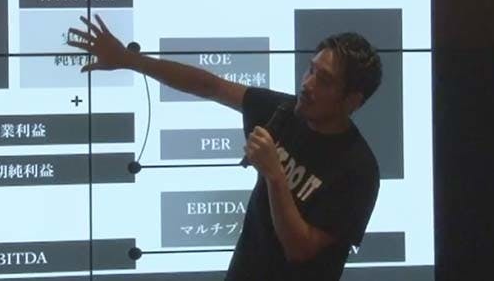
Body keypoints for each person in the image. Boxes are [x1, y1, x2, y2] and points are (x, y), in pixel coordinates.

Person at [67, 15, 383, 281]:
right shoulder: (285, 113)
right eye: (311, 70)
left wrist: (274, 175)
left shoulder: (358, 169)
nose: (308, 84)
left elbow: (300, 249)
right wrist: (128, 60)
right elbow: (210, 86)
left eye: (324, 80)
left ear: (352, 101)